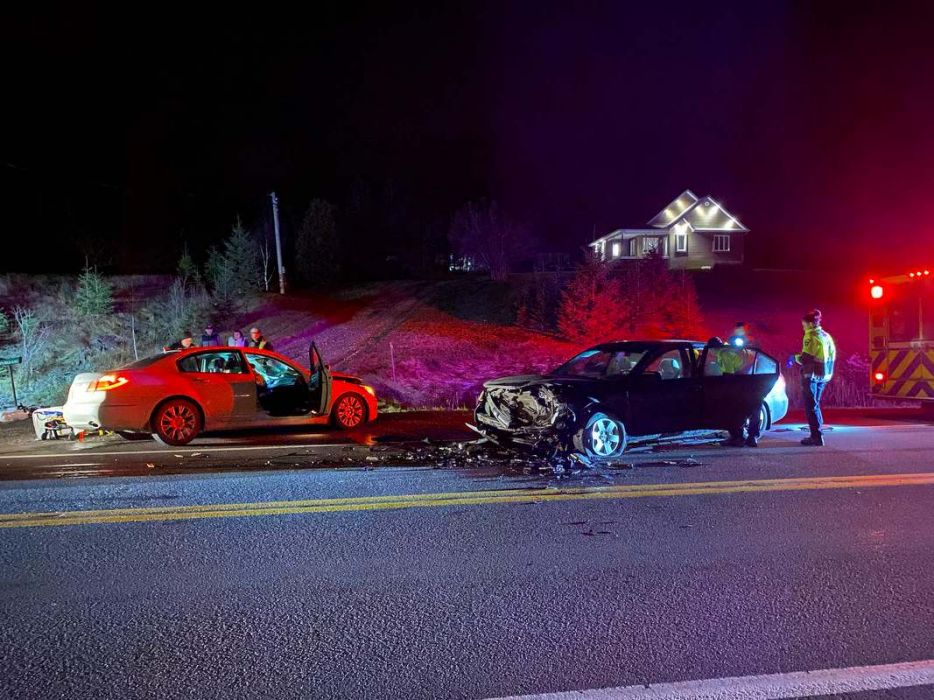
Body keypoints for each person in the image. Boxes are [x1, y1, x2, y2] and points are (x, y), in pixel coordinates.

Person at [792, 309, 836, 446]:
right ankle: (817, 432)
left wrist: (794, 358)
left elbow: (806, 358)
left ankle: (816, 436)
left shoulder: (810, 336)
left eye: (804, 325)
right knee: (815, 404)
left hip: (811, 375)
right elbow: (832, 355)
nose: (803, 327)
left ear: (810, 324)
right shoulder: (826, 335)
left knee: (810, 406)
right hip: (824, 375)